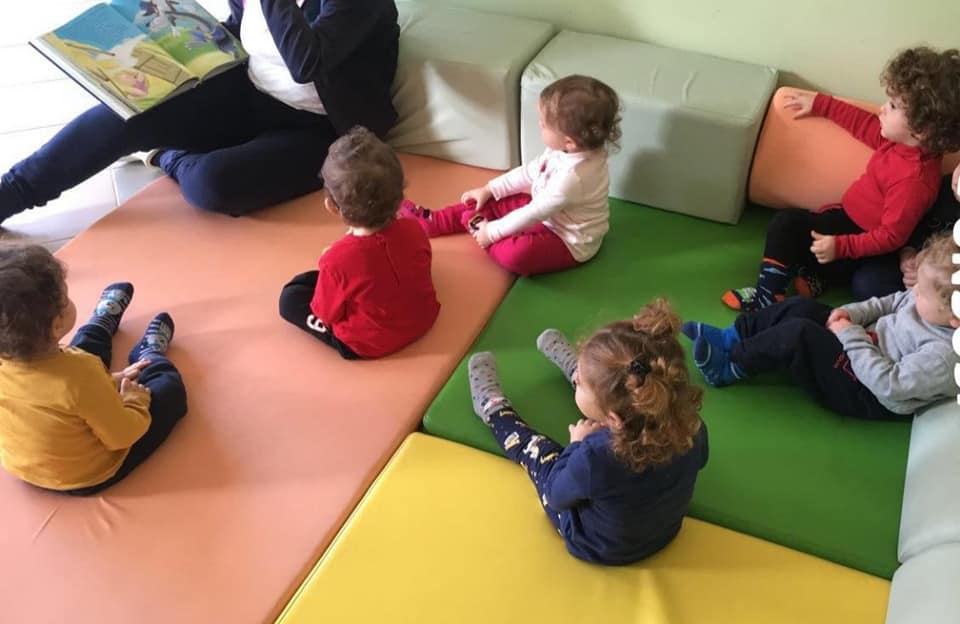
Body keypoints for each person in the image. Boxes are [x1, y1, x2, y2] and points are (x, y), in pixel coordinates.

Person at [0, 0, 400, 220]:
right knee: (124, 115)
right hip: (249, 89)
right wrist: (180, 44)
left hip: (319, 128)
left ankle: (167, 156)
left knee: (213, 183)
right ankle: (12, 192)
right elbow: (243, 28)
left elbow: (306, 62)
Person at [467, 300, 708, 565]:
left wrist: (576, 445)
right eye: (580, 380)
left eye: (580, 383)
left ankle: (492, 407)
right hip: (665, 531)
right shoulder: (692, 427)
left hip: (597, 544)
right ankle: (588, 377)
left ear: (614, 420)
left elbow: (557, 495)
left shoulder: (594, 456)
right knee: (613, 393)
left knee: (539, 451)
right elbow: (698, 461)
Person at [723, 47, 960, 312]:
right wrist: (821, 104)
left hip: (863, 241)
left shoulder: (914, 180)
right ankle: (817, 276)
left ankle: (767, 298)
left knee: (785, 224)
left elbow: (891, 236)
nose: (883, 109)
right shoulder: (902, 145)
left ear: (922, 130)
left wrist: (841, 246)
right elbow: (863, 124)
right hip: (845, 221)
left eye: (893, 106)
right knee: (809, 234)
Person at [687, 232, 958, 420]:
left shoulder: (944, 357)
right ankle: (731, 337)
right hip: (861, 342)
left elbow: (889, 385)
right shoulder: (926, 302)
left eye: (922, 293)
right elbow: (890, 302)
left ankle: (730, 365)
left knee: (799, 334)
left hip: (865, 390)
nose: (913, 291)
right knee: (800, 306)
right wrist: (849, 313)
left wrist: (849, 334)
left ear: (954, 319)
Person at [0, 245, 187, 494]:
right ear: (57, 325)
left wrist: (111, 380)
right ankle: (150, 355)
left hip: (27, 468)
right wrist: (135, 399)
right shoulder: (79, 376)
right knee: (170, 392)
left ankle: (102, 323)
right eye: (66, 300)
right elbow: (123, 434)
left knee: (76, 352)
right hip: (88, 475)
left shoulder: (15, 357)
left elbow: (47, 399)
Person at [399, 75, 620, 276]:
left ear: (569, 141)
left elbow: (533, 213)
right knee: (489, 201)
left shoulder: (574, 179)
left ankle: (480, 229)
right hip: (546, 212)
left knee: (517, 256)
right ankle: (436, 221)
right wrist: (489, 189)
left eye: (543, 125)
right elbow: (530, 171)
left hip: (567, 240)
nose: (539, 125)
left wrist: (491, 233)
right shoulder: (567, 149)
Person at [278, 127, 439, 359]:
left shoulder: (336, 261)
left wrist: (331, 264)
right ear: (400, 196)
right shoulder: (414, 228)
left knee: (291, 297)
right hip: (425, 317)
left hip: (367, 344)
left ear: (331, 206)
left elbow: (326, 314)